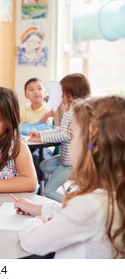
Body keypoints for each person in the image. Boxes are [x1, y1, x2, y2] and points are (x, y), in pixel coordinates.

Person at [15, 95, 125, 259]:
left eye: (72, 135)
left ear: (92, 147)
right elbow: (75, 216)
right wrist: (40, 208)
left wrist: (38, 220)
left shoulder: (89, 205)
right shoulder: (110, 197)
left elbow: (32, 241)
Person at [29, 73, 91, 202]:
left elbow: (65, 135)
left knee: (49, 191)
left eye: (63, 93)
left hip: (69, 162)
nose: (60, 96)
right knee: (44, 166)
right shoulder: (70, 111)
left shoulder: (77, 112)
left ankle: (71, 204)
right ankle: (72, 177)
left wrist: (41, 138)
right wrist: (41, 135)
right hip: (64, 159)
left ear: (73, 94)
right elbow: (61, 131)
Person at [20, 77, 54, 183]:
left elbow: (45, 129)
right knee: (20, 157)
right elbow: (20, 126)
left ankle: (39, 187)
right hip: (27, 144)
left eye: (39, 88)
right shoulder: (24, 108)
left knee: (36, 157)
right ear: (26, 95)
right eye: (31, 89)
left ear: (45, 92)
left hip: (45, 146)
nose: (36, 92)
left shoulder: (50, 109)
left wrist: (46, 116)